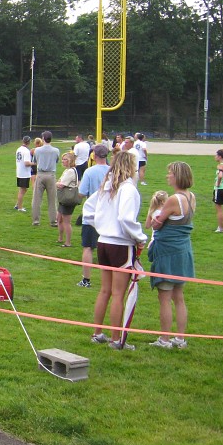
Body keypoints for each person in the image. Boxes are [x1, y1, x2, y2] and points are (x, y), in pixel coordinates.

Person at [83, 150, 147, 350]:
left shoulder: (106, 186)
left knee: (105, 290)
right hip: (119, 244)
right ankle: (116, 339)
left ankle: (97, 333)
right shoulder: (128, 189)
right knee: (118, 293)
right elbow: (126, 219)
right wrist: (140, 237)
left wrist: (102, 227)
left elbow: (88, 210)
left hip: (103, 242)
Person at [146, 162, 195, 350]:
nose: (167, 176)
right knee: (179, 296)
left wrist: (154, 214)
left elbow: (156, 224)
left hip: (168, 253)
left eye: (170, 174)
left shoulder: (174, 199)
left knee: (165, 297)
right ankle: (180, 338)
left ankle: (164, 339)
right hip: (183, 251)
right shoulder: (191, 197)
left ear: (177, 177)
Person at [77, 144, 111, 287]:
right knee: (109, 247)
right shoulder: (113, 172)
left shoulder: (90, 172)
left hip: (92, 214)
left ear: (94, 156)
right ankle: (110, 280)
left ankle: (86, 279)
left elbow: (81, 193)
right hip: (109, 214)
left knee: (88, 247)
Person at [30, 131, 60, 227]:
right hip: (51, 175)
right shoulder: (56, 150)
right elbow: (56, 160)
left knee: (36, 199)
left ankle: (36, 220)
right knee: (52, 199)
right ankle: (53, 221)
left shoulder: (37, 150)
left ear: (43, 138)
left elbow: (34, 161)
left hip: (40, 174)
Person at [55, 151, 79, 248]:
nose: (63, 161)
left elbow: (61, 184)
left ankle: (68, 242)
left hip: (68, 199)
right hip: (63, 199)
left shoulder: (70, 171)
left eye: (65, 159)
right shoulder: (67, 170)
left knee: (66, 221)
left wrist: (56, 183)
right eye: (63, 159)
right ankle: (60, 238)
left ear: (70, 161)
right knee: (59, 218)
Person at [14, 136, 32, 212]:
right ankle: (20, 207)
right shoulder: (26, 151)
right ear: (29, 142)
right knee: (22, 190)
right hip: (24, 173)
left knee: (24, 189)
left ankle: (18, 204)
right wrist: (35, 163)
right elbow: (26, 163)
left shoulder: (19, 149)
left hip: (20, 172)